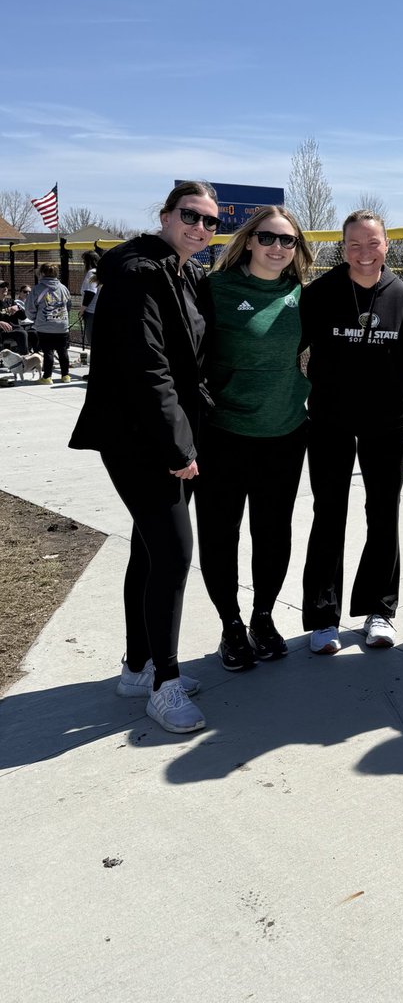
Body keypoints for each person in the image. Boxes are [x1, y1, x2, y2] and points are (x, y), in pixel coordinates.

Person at [69, 181, 220, 732]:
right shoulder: (138, 274)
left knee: (150, 549)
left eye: (209, 221)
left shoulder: (182, 272)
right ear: (165, 215)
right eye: (190, 215)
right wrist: (177, 446)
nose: (200, 228)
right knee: (175, 554)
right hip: (140, 438)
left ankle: (138, 667)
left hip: (168, 431)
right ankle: (164, 685)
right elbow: (147, 368)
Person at [195, 206, 313, 671]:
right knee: (220, 534)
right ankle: (231, 625)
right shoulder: (215, 289)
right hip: (224, 434)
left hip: (284, 433)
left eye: (287, 240)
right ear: (248, 240)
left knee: (273, 532)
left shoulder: (302, 294)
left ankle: (263, 617)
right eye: (267, 237)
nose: (277, 247)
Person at [300, 209, 403, 654]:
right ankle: (322, 617)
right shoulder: (320, 293)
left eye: (373, 243)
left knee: (383, 514)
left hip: (386, 424)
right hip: (329, 422)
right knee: (328, 514)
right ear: (343, 247)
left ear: (386, 245)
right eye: (354, 244)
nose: (364, 252)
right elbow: (286, 348)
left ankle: (380, 610)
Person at [26, 264, 72, 383]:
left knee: (48, 352)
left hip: (45, 326)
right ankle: (66, 376)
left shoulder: (37, 289)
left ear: (42, 273)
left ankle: (47, 377)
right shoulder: (63, 288)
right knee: (63, 351)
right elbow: (68, 305)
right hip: (62, 326)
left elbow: (30, 309)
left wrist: (35, 319)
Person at [79, 250, 101, 348]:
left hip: (91, 312)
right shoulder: (102, 271)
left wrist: (82, 310)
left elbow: (90, 292)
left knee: (92, 340)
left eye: (84, 261)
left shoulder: (92, 272)